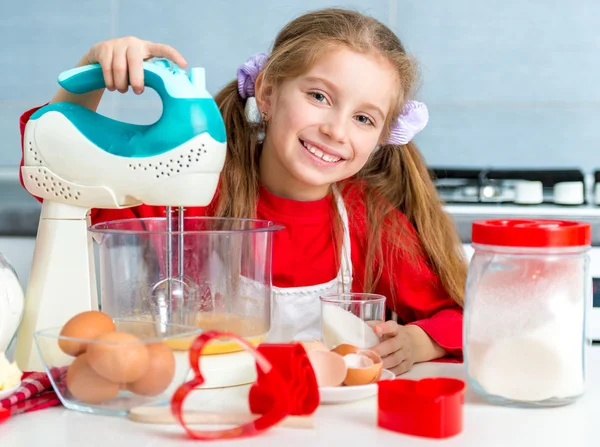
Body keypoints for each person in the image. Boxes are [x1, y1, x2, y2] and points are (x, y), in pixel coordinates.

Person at [18, 8, 467, 375]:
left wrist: (419, 340)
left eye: (364, 119)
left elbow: (461, 318)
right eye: (319, 96)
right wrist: (92, 73)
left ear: (383, 136)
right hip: (200, 410)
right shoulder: (191, 190)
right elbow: (62, 175)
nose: (335, 130)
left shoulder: (374, 223)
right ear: (269, 93)